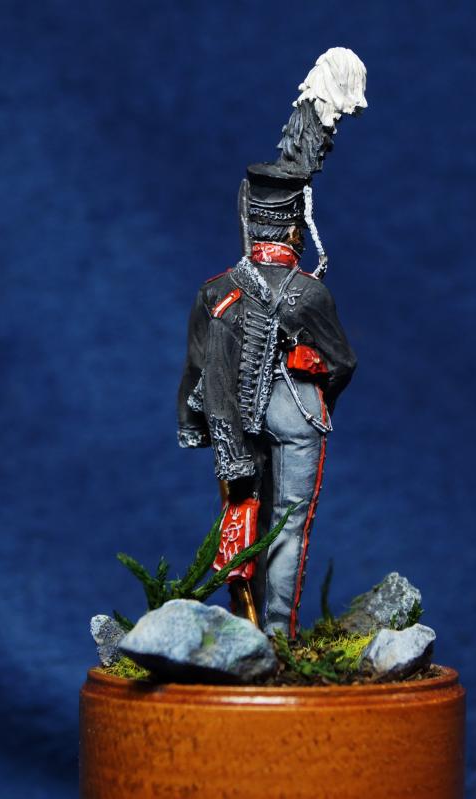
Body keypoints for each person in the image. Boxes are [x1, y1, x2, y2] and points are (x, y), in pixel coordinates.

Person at [176, 48, 366, 637]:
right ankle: (275, 632)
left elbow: (195, 370)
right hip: (296, 413)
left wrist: (198, 425)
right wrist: (316, 388)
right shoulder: (309, 293)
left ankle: (248, 628)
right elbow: (342, 362)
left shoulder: (216, 290)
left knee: (243, 511)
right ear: (293, 227)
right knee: (289, 522)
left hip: (231, 416)